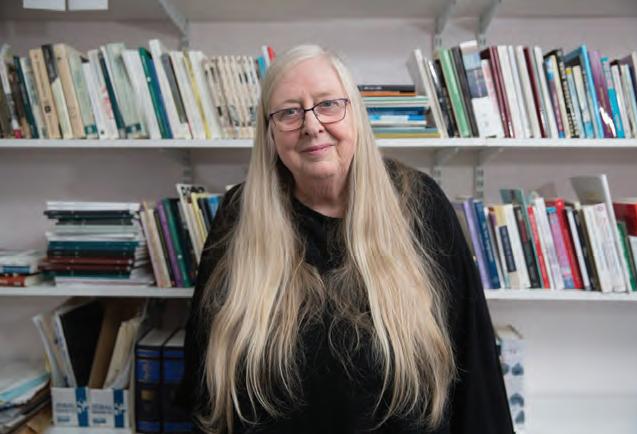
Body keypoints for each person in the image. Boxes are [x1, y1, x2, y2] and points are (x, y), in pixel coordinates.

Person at [178, 44, 514, 434]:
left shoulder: (421, 204)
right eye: (289, 112)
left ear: (355, 112)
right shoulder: (239, 213)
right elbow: (205, 373)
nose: (311, 126)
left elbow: (475, 366)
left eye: (328, 104)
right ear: (269, 132)